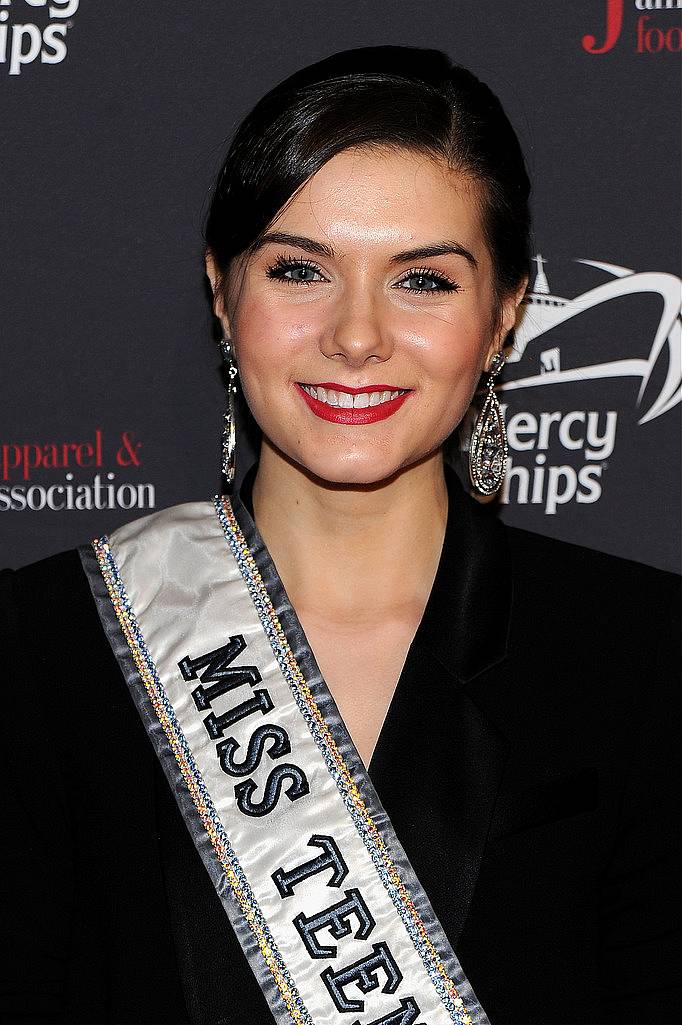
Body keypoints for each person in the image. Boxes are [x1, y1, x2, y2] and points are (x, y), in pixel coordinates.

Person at [1, 45, 679, 1025]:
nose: (355, 336)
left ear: (505, 315)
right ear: (223, 296)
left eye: (424, 281)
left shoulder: (641, 651)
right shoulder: (48, 643)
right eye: (299, 269)